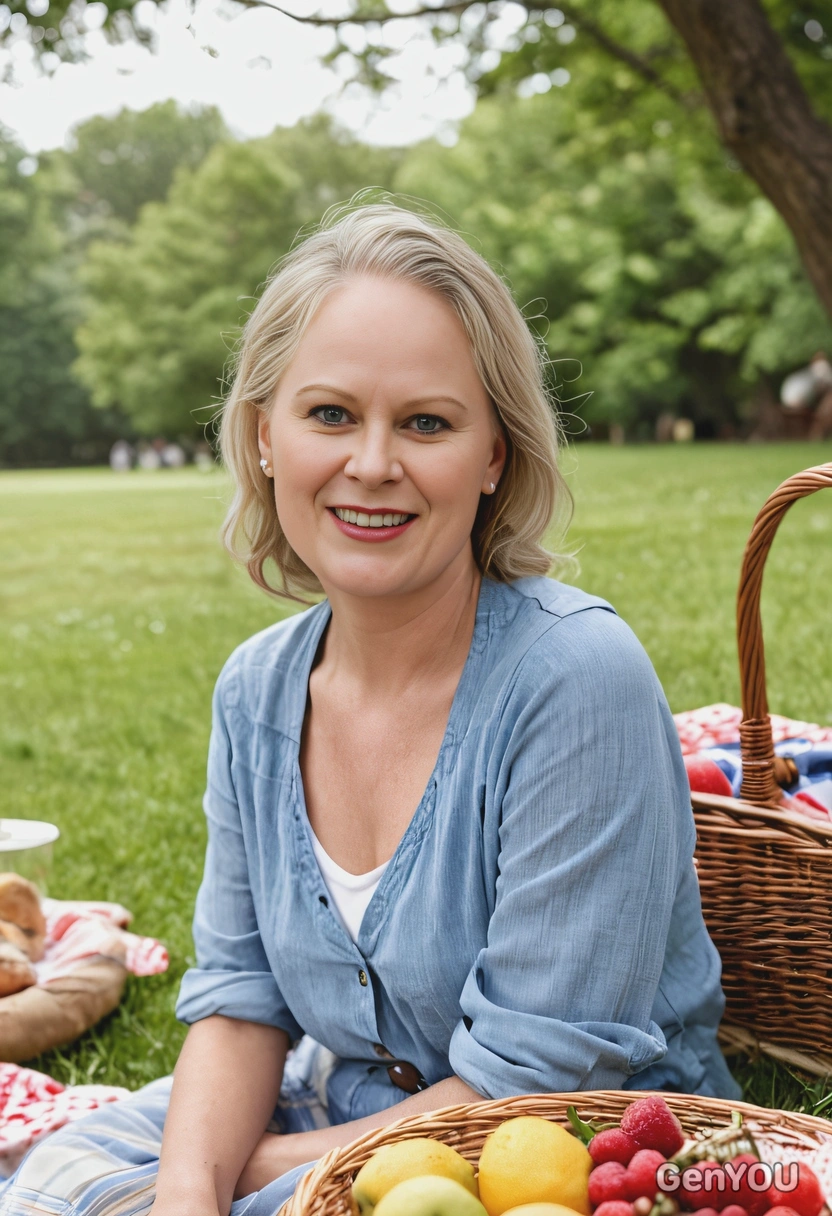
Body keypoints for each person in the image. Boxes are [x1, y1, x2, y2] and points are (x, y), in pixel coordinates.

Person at [1, 203, 741, 1216]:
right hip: (337, 1096)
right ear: (265, 435)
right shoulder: (256, 689)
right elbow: (240, 1000)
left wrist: (242, 1170)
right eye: (331, 415)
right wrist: (183, 1189)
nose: (373, 463)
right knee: (48, 1175)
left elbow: (531, 1080)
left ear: (493, 455)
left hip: (564, 1155)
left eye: (426, 422)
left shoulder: (576, 677)